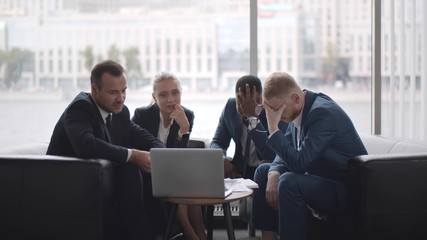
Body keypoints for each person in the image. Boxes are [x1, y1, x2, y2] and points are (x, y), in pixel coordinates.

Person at [46, 60, 166, 240]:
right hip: (66, 184)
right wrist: (132, 155)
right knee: (129, 168)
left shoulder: (119, 111)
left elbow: (145, 138)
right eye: (113, 92)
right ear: (94, 90)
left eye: (124, 91)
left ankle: (158, 234)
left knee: (146, 170)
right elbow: (85, 144)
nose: (121, 98)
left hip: (101, 179)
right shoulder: (80, 108)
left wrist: (161, 154)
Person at [251, 72, 367, 240]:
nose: (275, 117)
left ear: (296, 98)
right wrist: (274, 172)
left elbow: (299, 164)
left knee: (289, 182)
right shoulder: (300, 110)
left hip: (344, 188)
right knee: (264, 172)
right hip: (320, 179)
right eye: (270, 111)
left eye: (275, 110)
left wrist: (273, 128)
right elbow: (287, 149)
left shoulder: (323, 114)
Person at [132, 72, 207, 240]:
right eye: (163, 95)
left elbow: (178, 158)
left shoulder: (186, 115)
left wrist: (184, 130)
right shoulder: (141, 115)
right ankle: (191, 233)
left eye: (175, 93)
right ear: (154, 97)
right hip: (147, 170)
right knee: (180, 182)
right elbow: (137, 148)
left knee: (187, 181)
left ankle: (200, 233)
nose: (171, 99)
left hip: (174, 171)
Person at [210, 75, 288, 180]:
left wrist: (252, 118)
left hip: (265, 170)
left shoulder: (274, 112)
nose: (244, 108)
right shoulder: (230, 107)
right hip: (240, 168)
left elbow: (270, 156)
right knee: (214, 165)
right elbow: (218, 142)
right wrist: (221, 159)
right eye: (240, 103)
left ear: (260, 100)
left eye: (250, 103)